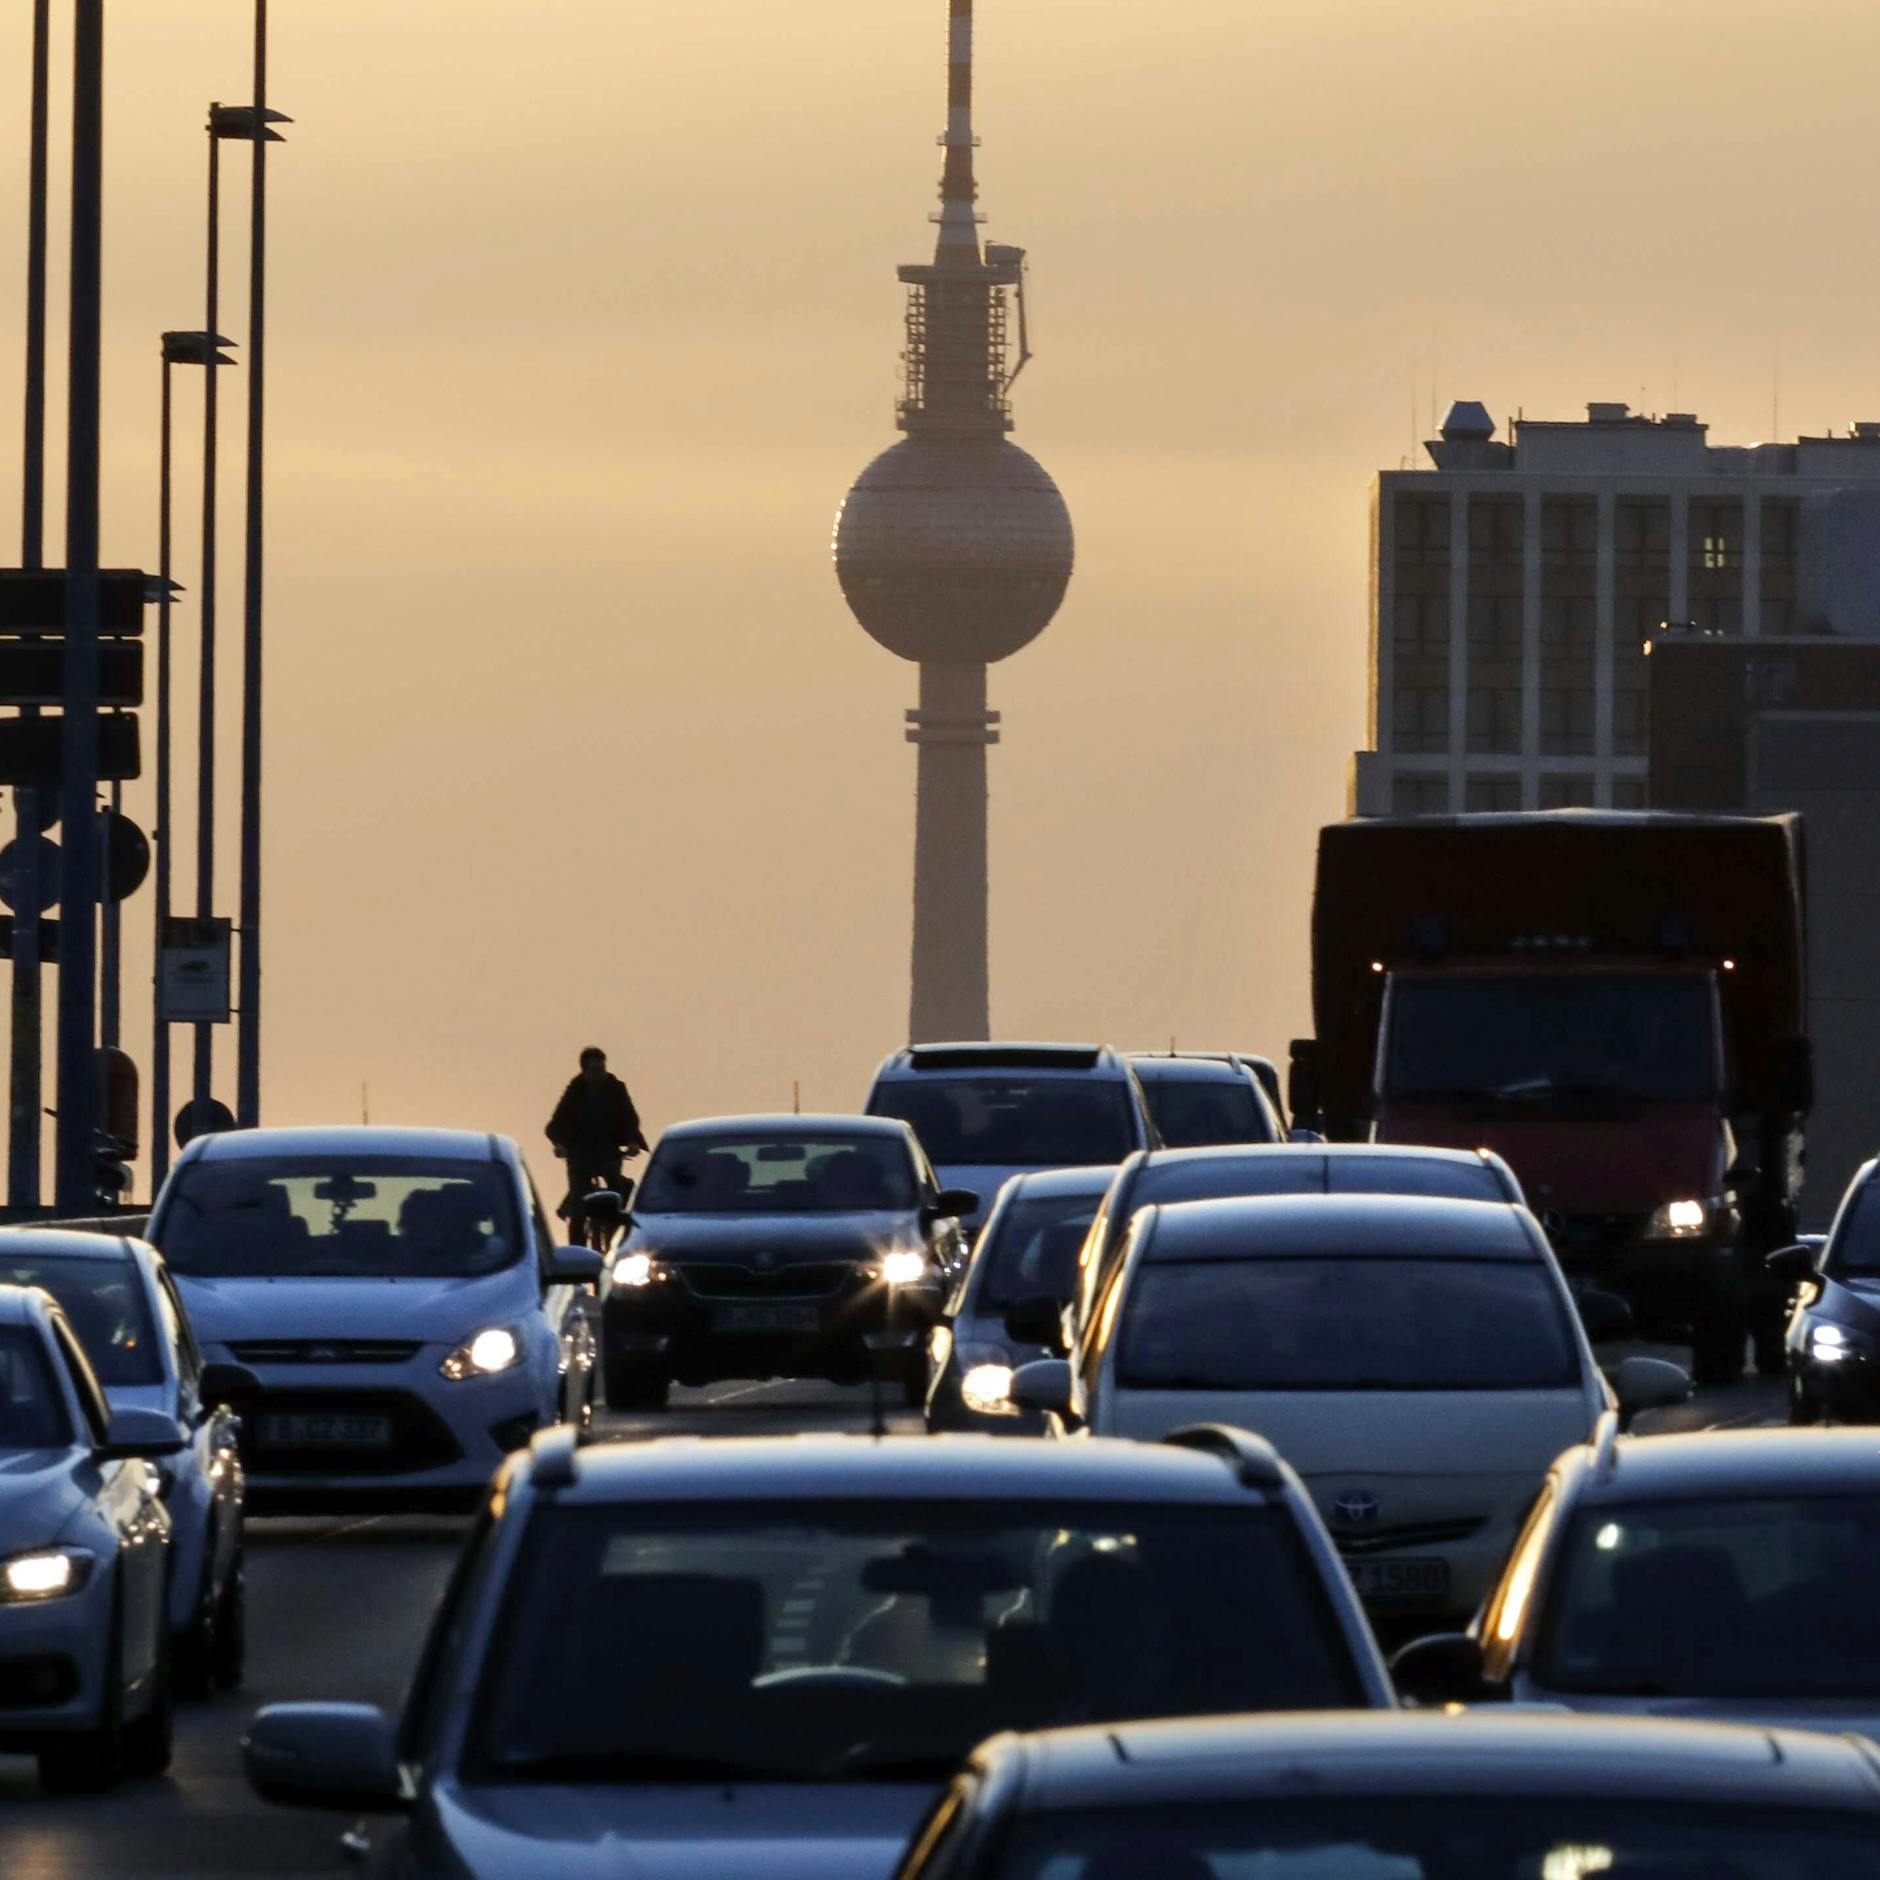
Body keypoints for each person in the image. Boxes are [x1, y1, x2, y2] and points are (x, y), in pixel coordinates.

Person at [546, 1047, 648, 1224]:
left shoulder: (616, 1088)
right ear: (584, 1071)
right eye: (595, 1070)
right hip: (580, 1153)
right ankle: (577, 1247)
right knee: (578, 1205)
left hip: (608, 1150)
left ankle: (618, 1238)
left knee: (617, 1198)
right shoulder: (575, 1091)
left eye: (602, 1068)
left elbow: (630, 1118)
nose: (600, 1074)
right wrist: (559, 1144)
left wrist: (633, 1142)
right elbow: (556, 1123)